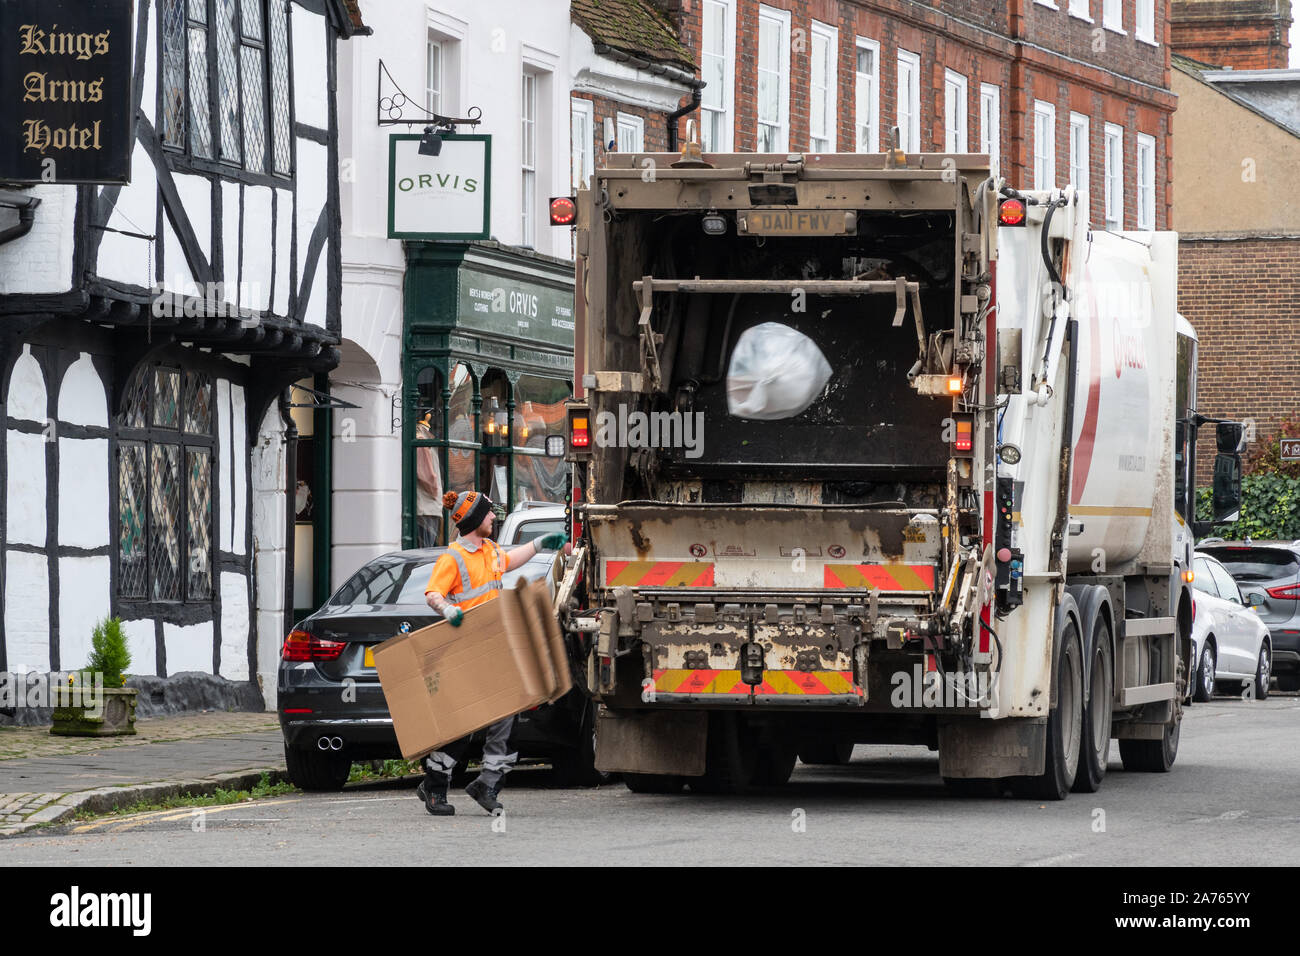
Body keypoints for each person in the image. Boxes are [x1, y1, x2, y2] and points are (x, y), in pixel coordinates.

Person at [416, 488, 570, 816]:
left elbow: (512, 560)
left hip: (493, 648)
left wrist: (541, 544)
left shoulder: (489, 550)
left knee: (506, 714)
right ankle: (435, 783)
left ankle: (487, 782)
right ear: (474, 520)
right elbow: (432, 593)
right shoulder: (453, 557)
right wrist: (447, 610)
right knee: (464, 723)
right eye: (488, 513)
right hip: (465, 650)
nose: (493, 517)